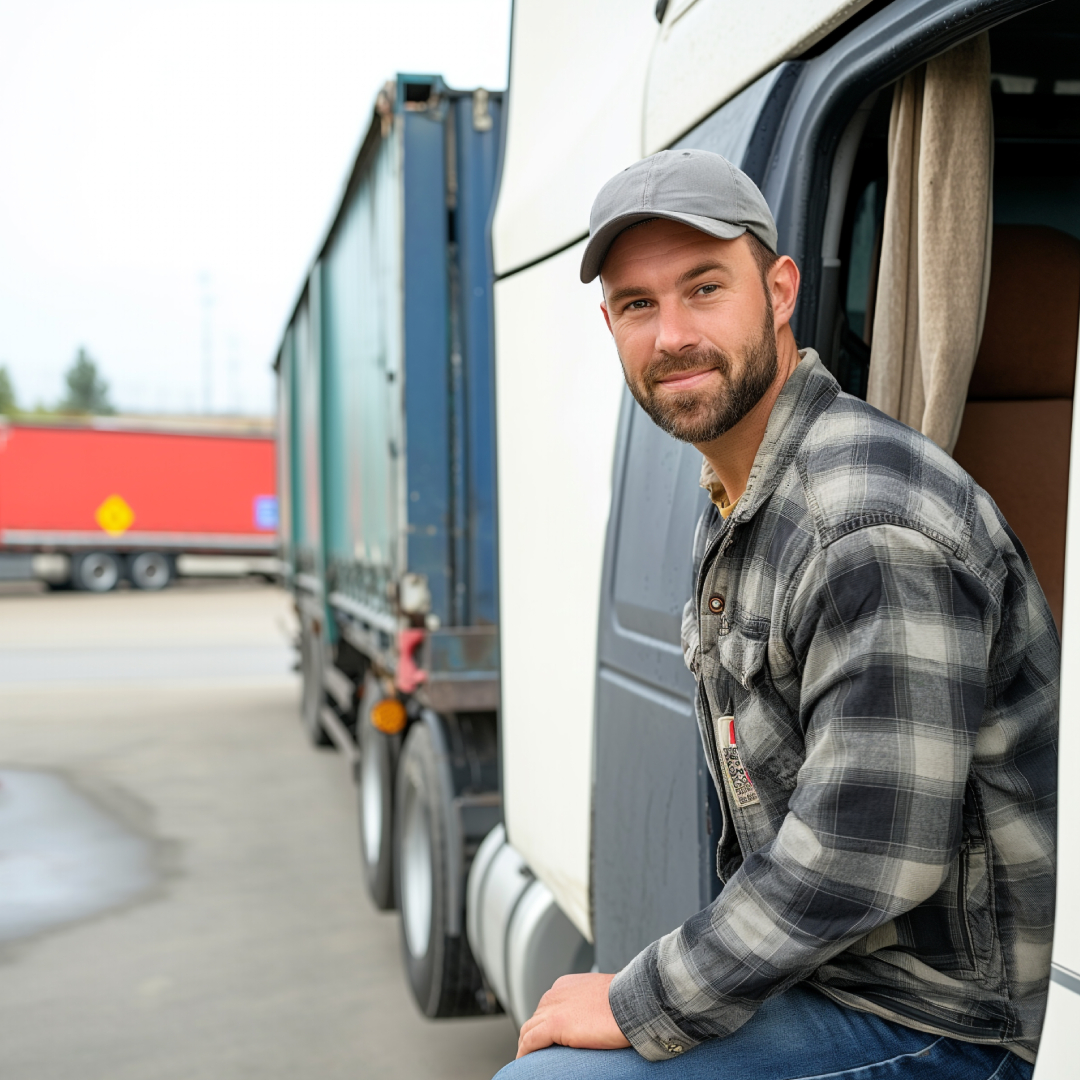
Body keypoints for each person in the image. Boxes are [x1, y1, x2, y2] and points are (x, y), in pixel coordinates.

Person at [495, 149, 1058, 1079]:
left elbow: (859, 862)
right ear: (610, 324)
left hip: (950, 1018)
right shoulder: (744, 489)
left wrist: (642, 999)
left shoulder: (867, 524)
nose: (672, 332)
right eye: (638, 305)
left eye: (704, 288)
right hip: (844, 973)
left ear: (781, 290)